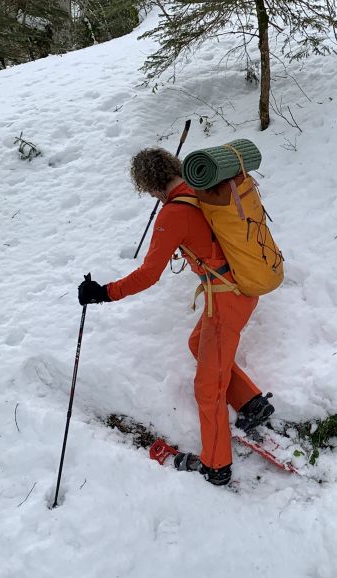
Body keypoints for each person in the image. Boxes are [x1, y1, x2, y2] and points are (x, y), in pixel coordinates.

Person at [78, 147, 274, 486]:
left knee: (207, 388)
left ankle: (216, 465)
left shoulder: (173, 213)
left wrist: (104, 292)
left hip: (226, 298)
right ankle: (250, 403)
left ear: (149, 186)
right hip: (241, 289)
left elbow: (149, 274)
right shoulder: (201, 191)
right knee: (197, 342)